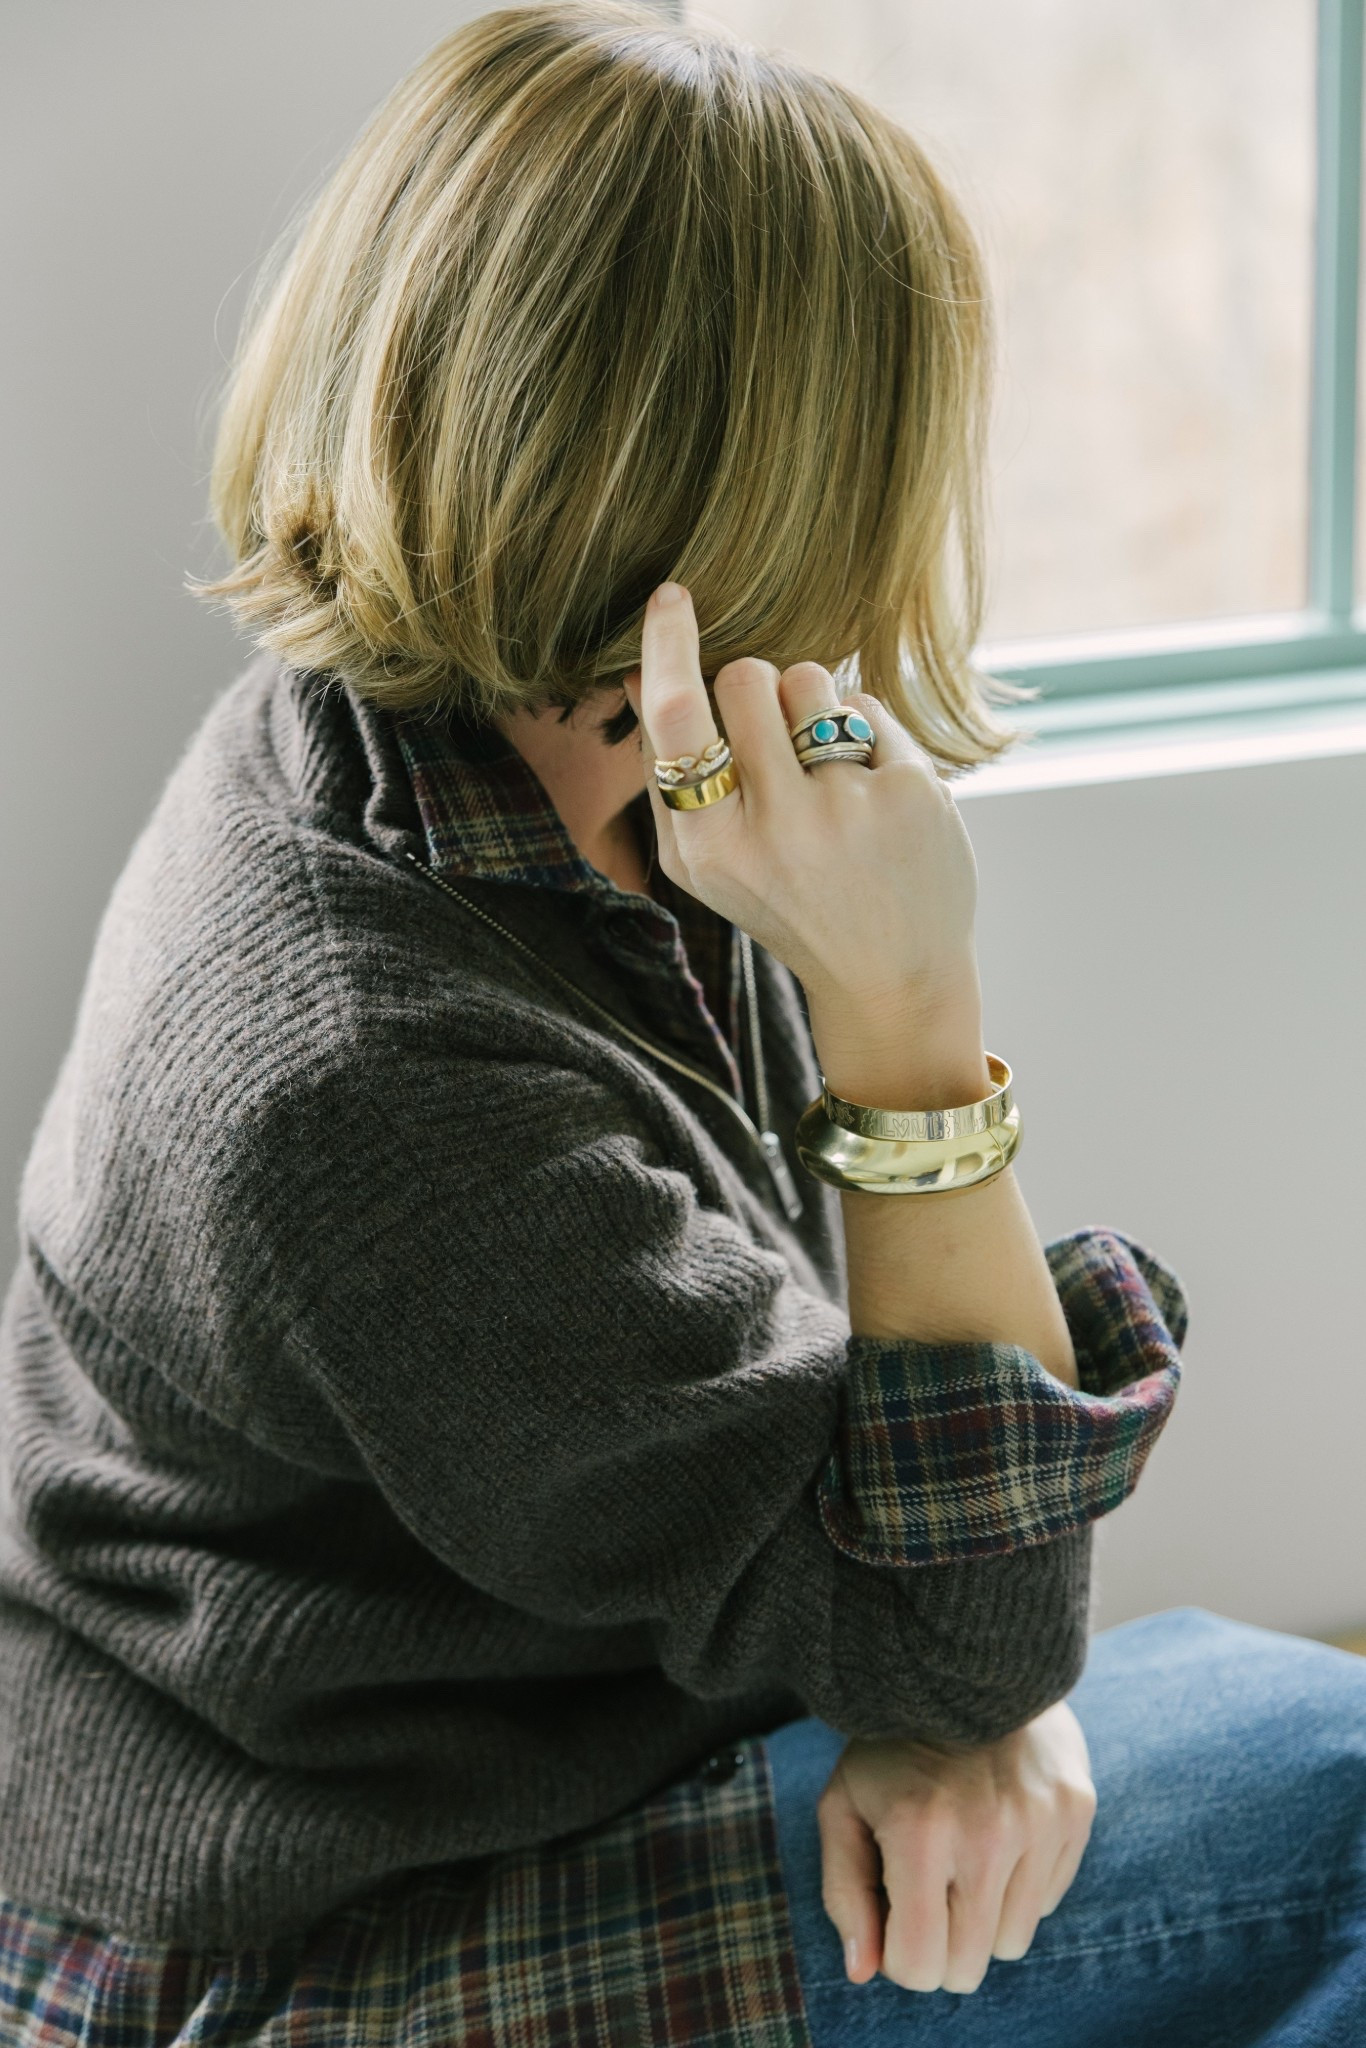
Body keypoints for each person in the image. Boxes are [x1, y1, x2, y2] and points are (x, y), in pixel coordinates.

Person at [1, 4, 1363, 2042]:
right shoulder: (369, 1076)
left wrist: (945, 1682)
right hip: (312, 1942)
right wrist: (907, 1004)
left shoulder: (486, 757)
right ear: (755, 492)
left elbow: (892, 1556)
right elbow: (971, 1631)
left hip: (438, 1764)